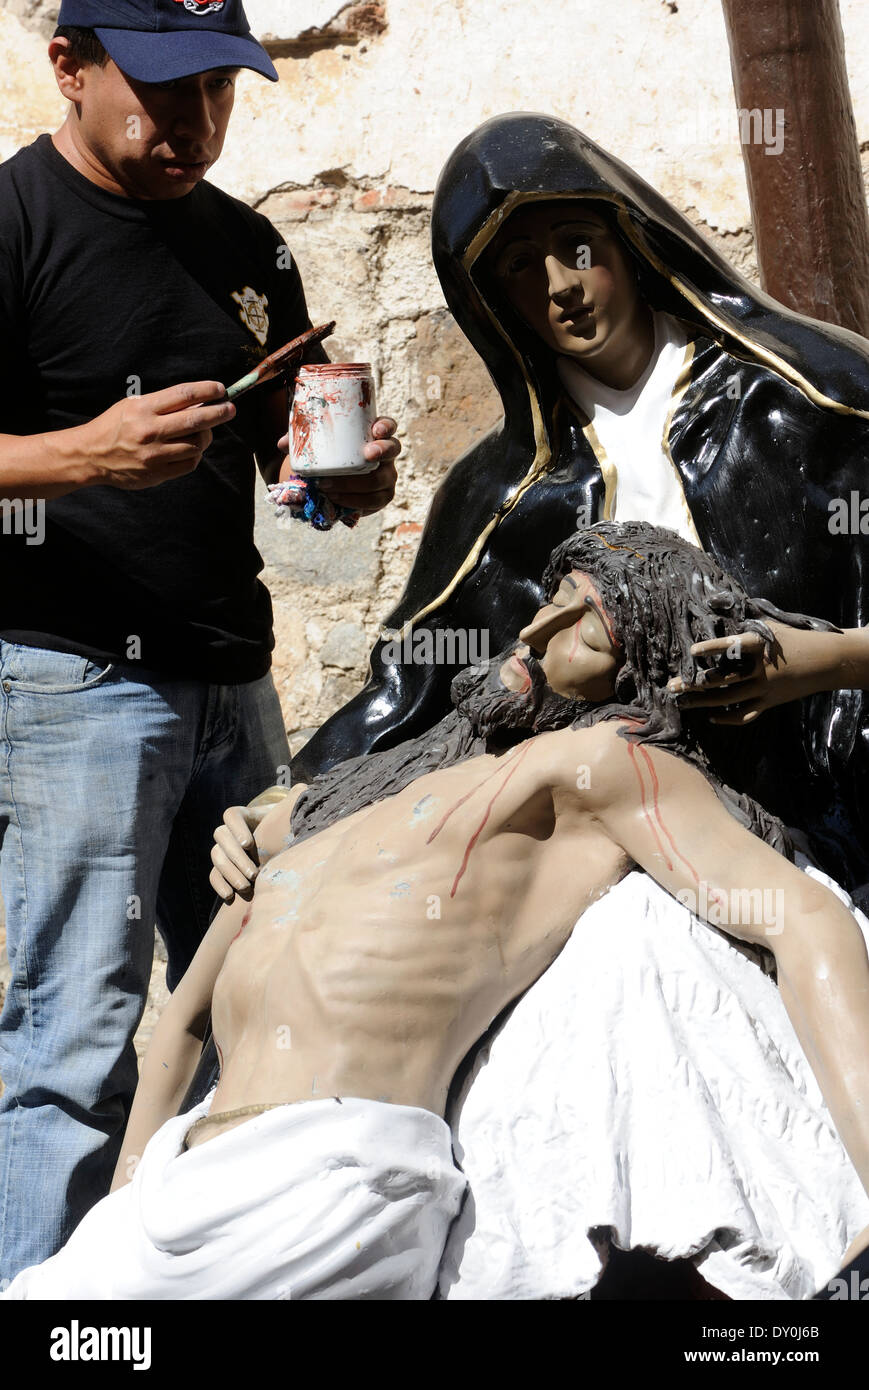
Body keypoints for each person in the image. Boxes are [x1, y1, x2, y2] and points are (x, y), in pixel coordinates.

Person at [5, 522, 868, 1300]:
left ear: (636, 673)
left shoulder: (597, 764)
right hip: (171, 1180)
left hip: (329, 1172)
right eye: (549, 602)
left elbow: (801, 921)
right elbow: (184, 1021)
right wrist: (120, 1206)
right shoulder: (340, 803)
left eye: (588, 629)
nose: (534, 631)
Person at [0, 0, 400, 1284]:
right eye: (163, 89)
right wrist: (82, 457)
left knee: (264, 1006)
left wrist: (346, 479)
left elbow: (299, 469)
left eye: (218, 90)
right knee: (74, 1038)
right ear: (67, 65)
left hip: (235, 682)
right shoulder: (12, 224)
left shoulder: (248, 246)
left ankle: (200, 1283)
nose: (195, 121)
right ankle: (46, 1306)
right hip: (73, 684)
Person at [286, 112, 869, 905]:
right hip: (609, 845)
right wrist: (286, 802)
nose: (559, 285)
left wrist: (820, 663)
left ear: (629, 243)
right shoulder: (506, 494)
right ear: (495, 303)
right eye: (522, 266)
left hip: (828, 811)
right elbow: (410, 690)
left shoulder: (807, 401)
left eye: (576, 246)